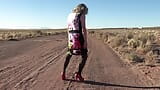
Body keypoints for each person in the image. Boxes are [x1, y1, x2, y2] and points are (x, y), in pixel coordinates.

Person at [61, 3, 88, 81]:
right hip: (79, 38)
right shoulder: (81, 15)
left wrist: (69, 39)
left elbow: (68, 28)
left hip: (71, 38)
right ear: (83, 9)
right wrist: (85, 41)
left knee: (69, 55)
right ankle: (78, 74)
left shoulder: (70, 15)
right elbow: (83, 29)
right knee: (84, 56)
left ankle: (63, 73)